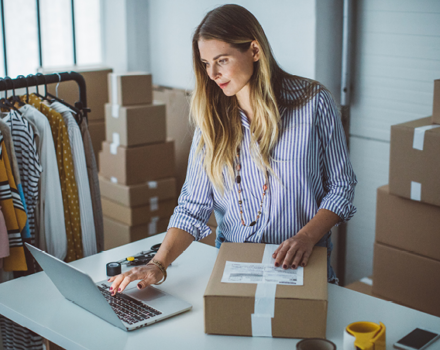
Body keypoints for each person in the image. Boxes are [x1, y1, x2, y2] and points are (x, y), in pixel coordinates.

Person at [109, 4, 357, 294]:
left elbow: (341, 187)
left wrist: (306, 237)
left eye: (222, 60)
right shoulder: (211, 120)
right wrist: (158, 265)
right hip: (235, 266)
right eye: (205, 63)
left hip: (303, 262)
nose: (212, 73)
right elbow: (192, 207)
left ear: (254, 50)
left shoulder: (314, 102)